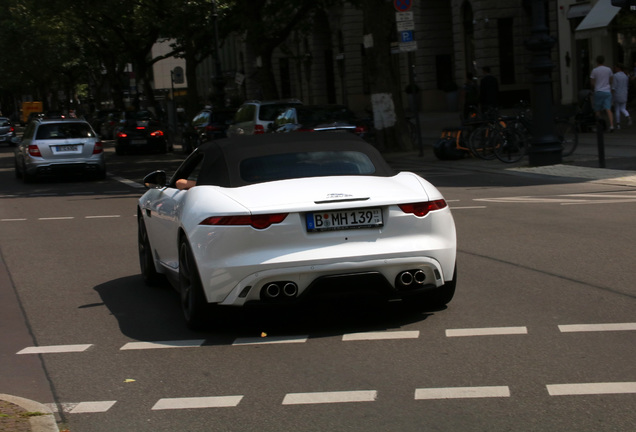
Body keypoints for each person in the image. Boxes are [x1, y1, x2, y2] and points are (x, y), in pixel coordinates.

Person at [590, 55, 614, 131]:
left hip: (598, 91)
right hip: (607, 91)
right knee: (608, 109)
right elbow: (611, 80)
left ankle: (598, 126)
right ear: (604, 61)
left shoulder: (594, 70)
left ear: (597, 61)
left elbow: (592, 82)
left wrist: (595, 86)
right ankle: (611, 125)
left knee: (597, 110)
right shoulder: (608, 70)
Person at [612, 63, 631, 128]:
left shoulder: (615, 76)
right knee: (623, 108)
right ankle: (627, 116)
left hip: (617, 93)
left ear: (618, 68)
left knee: (617, 109)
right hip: (624, 93)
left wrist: (612, 94)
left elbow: (614, 86)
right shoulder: (625, 76)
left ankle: (618, 124)